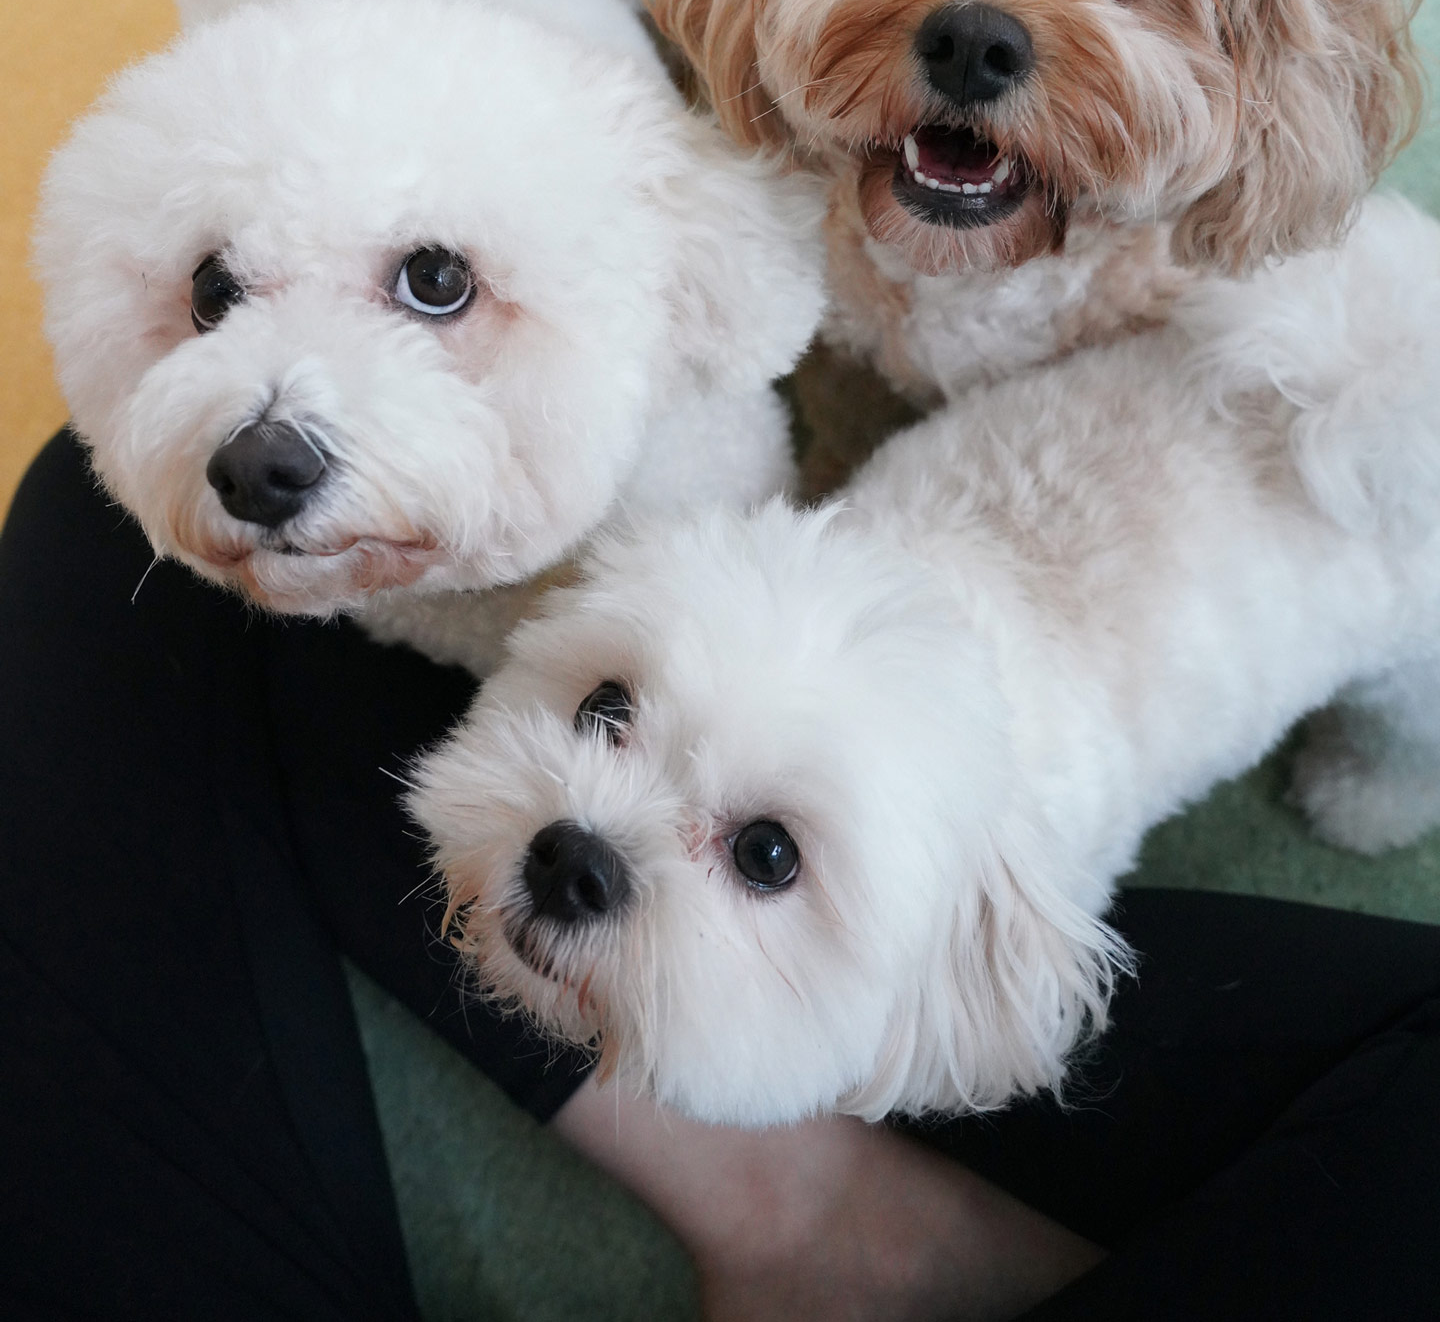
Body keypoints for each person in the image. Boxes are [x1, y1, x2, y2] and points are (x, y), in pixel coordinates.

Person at [4, 430, 1438, 1320]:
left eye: (760, 853)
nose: (582, 829)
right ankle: (805, 1204)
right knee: (121, 500)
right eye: (606, 714)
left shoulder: (1004, 865)